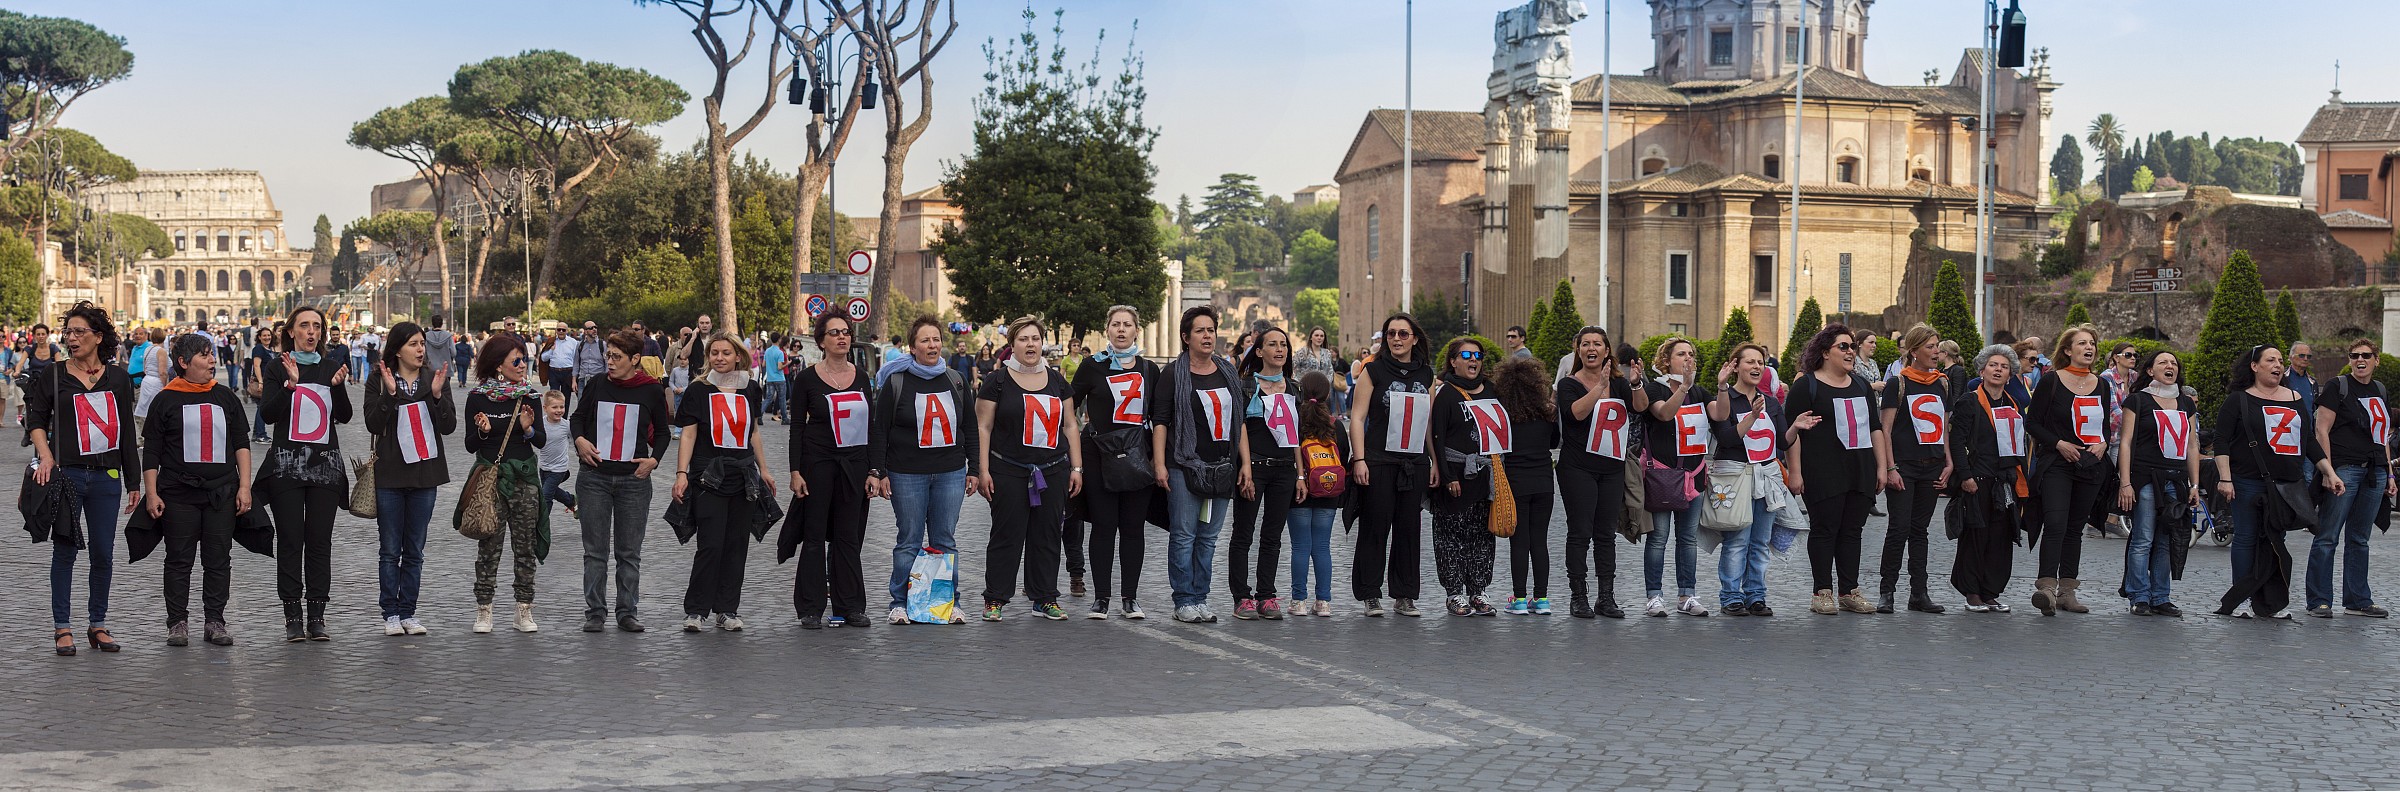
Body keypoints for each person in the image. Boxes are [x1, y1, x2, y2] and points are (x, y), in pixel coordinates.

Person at [30, 303, 141, 655]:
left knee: (103, 554)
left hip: (107, 478)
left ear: (98, 337)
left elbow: (126, 433)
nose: (72, 338)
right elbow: (35, 420)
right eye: (69, 332)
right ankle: (62, 628)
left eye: (79, 332)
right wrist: (46, 455)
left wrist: (134, 481)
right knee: (65, 551)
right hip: (68, 475)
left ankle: (98, 624)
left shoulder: (118, 378)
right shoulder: (54, 374)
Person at [141, 333, 254, 647]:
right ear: (183, 362)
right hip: (178, 493)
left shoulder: (225, 397)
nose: (212, 360)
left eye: (211, 354)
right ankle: (177, 622)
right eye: (204, 355)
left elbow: (241, 444)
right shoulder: (165, 399)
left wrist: (245, 486)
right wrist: (151, 492)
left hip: (221, 492)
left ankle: (215, 620)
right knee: (179, 560)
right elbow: (152, 450)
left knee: (218, 559)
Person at [2213, 344, 2337, 620]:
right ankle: (2241, 599)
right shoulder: (2238, 400)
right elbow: (2222, 441)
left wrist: (2329, 471)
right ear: (2254, 366)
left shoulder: (2294, 398)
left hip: (2286, 485)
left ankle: (2270, 603)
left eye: (2280, 360)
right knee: (2246, 538)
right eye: (2270, 360)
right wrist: (2225, 477)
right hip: (2247, 480)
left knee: (2275, 540)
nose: (2278, 365)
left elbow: (2308, 440)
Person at [872, 316, 982, 625]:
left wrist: (974, 468)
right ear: (913, 347)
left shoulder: (956, 380)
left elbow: (970, 428)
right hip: (906, 473)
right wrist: (879, 471)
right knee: (909, 539)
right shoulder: (896, 381)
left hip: (950, 472)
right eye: (925, 340)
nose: (932, 345)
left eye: (936, 339)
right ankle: (900, 602)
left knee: (944, 540)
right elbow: (880, 430)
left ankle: (946, 602)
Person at [973, 317, 1082, 622]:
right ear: (1012, 345)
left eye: (1035, 338)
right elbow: (983, 427)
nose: (1030, 344)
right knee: (1006, 535)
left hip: (1053, 470)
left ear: (1042, 343)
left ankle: (1044, 597)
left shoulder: (1058, 381)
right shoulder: (997, 381)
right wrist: (983, 470)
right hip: (1008, 469)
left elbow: (1070, 425)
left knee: (1047, 535)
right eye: (1023, 339)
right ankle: (995, 598)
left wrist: (1077, 467)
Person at [256, 307, 353, 643]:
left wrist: (338, 387)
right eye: (304, 326)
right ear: (291, 332)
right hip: (287, 465)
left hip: (325, 466)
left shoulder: (330, 367)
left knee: (319, 541)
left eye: (317, 326)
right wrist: (290, 386)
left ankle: (317, 615)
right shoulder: (277, 366)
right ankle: (292, 616)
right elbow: (268, 414)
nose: (312, 331)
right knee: (290, 539)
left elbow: (345, 415)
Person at [673, 331, 773, 633]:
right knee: (710, 545)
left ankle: (727, 609)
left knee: (736, 545)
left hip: (743, 476)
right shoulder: (698, 390)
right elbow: (688, 434)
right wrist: (681, 473)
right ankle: (696, 610)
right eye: (714, 353)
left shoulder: (750, 389)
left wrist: (764, 470)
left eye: (726, 353)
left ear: (738, 356)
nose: (719, 358)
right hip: (708, 475)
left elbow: (753, 432)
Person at [572, 330, 671, 633]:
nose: (610, 362)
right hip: (594, 478)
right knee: (595, 552)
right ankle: (595, 612)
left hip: (634, 481)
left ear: (635, 359)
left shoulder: (651, 390)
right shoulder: (596, 384)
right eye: (608, 355)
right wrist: (579, 440)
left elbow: (664, 432)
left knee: (629, 553)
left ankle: (627, 611)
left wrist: (654, 460)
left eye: (617, 357)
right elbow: (577, 418)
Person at [1787, 324, 1889, 615]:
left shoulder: (1861, 385)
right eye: (1843, 346)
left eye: (1852, 347)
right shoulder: (1806, 386)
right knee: (1824, 529)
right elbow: (1792, 432)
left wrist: (1882, 467)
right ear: (1824, 352)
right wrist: (1795, 472)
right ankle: (1821, 592)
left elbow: (1875, 428)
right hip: (1822, 470)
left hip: (1860, 469)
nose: (1850, 352)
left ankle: (1849, 590)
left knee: (1852, 531)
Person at [1153, 306, 1247, 623]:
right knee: (1184, 535)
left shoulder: (1228, 371)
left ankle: (1200, 597)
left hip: (1221, 467)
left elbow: (1239, 420)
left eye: (1211, 330)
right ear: (1186, 337)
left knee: (1208, 537)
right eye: (1200, 331)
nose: (1207, 336)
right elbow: (1160, 421)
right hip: (1183, 466)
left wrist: (1245, 464)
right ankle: (1184, 600)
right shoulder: (1173, 374)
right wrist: (1159, 464)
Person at [784, 313, 875, 629]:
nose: (842, 337)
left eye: (846, 332)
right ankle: (810, 608)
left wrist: (874, 470)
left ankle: (850, 605)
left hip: (854, 466)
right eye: (834, 332)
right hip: (818, 465)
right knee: (814, 536)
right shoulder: (807, 379)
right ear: (821, 340)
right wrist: (795, 471)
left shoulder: (861, 377)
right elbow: (797, 427)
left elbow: (871, 425)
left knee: (848, 537)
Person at [365, 322, 455, 637]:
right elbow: (372, 423)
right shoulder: (379, 379)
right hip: (390, 475)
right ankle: (390, 613)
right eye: (413, 344)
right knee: (390, 550)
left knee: (415, 550)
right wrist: (390, 394)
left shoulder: (434, 378)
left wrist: (438, 396)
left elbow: (448, 426)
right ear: (398, 349)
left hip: (424, 475)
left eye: (422, 344)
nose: (420, 349)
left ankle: (408, 612)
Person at [1071, 305, 1159, 619]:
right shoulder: (1092, 366)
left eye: (1127, 325)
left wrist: (1158, 460)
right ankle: (1101, 598)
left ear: (1136, 330)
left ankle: (1130, 598)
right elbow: (1069, 407)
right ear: (1107, 329)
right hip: (1098, 455)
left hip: (1137, 456)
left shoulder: (1149, 369)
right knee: (1104, 526)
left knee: (1133, 528)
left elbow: (1159, 417)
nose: (1121, 330)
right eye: (1115, 324)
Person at [460, 334, 548, 634]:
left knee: (525, 548)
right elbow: (470, 445)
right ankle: (484, 610)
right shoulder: (477, 397)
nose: (523, 365)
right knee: (489, 547)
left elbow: (541, 441)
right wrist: (483, 432)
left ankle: (524, 610)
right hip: (491, 482)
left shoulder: (529, 396)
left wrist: (527, 430)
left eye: (524, 359)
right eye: (517, 360)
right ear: (499, 365)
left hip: (524, 480)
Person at [1347, 313, 1433, 618]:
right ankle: (1370, 593)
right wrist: (1359, 459)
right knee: (1375, 527)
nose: (1396, 339)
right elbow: (1357, 418)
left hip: (1414, 463)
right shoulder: (1373, 371)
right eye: (1391, 333)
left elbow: (1429, 423)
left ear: (1414, 339)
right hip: (1379, 461)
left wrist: (1434, 462)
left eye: (1403, 334)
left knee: (1409, 530)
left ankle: (1405, 595)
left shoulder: (1427, 374)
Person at [2023, 325, 2112, 616]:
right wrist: (2058, 443)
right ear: (2067, 350)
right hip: (2057, 463)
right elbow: (2032, 423)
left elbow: (2105, 427)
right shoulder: (2052, 381)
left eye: (2092, 343)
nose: (2089, 348)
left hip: (2090, 466)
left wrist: (2104, 442)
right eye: (2082, 343)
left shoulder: (2102, 385)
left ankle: (2067, 591)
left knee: (2075, 529)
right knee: (2056, 523)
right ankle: (2046, 588)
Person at [1706, 342, 1795, 617]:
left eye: (1761, 362)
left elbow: (1782, 442)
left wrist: (1797, 426)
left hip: (1766, 478)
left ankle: (1756, 595)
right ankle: (1731, 596)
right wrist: (1752, 417)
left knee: (1760, 541)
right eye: (1750, 362)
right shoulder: (1726, 399)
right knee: (1737, 540)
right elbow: (1727, 438)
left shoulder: (1771, 402)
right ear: (1735, 366)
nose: (1757, 367)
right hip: (1736, 478)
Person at [2305, 339, 2390, 618]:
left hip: (2374, 472)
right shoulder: (2337, 386)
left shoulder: (2380, 390)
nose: (2360, 360)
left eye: (2366, 355)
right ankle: (2319, 600)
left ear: (2376, 359)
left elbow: (2382, 436)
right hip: (2345, 469)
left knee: (2360, 539)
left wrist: (2389, 473)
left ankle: (2357, 599)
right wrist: (2327, 471)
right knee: (2327, 536)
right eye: (2354, 355)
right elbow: (2321, 430)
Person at [2114, 349, 2200, 617]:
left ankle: (2161, 596)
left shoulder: (2186, 403)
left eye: (2173, 362)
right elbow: (2125, 442)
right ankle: (2139, 595)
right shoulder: (2138, 400)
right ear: (2150, 370)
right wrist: (2125, 482)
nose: (2169, 365)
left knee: (2166, 539)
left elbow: (2192, 445)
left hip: (2176, 480)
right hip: (2146, 478)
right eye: (2163, 362)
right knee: (2143, 538)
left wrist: (2195, 485)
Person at [1875, 324, 1952, 614]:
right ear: (1915, 351)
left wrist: (1949, 462)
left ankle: (1919, 593)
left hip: (1932, 466)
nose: (1936, 352)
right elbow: (1885, 429)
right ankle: (1887, 591)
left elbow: (1944, 427)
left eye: (1937, 347)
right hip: (1904, 467)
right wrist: (1890, 467)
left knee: (1920, 531)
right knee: (1898, 529)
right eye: (1930, 347)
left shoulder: (1942, 383)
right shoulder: (1898, 383)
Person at [1556, 326, 1631, 619]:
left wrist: (1637, 384)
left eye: (1597, 344)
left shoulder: (1619, 383)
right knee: (1580, 532)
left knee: (1605, 534)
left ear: (1606, 350)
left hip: (1611, 468)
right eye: (1585, 344)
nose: (1591, 348)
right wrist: (1599, 387)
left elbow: (1640, 407)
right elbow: (1575, 413)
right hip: (1578, 467)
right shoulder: (1568, 383)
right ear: (1578, 351)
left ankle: (1606, 597)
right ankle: (1578, 596)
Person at [1950, 345, 2029, 612]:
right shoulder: (1969, 401)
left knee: (2000, 538)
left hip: (2005, 480)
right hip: (1978, 479)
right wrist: (1965, 475)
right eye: (1993, 365)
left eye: (2004, 367)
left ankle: (1990, 591)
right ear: (1982, 371)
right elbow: (1957, 441)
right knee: (1976, 535)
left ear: (2010, 375)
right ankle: (1972, 592)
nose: (1998, 370)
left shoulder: (2012, 404)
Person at [1638, 336, 1711, 617]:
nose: (1688, 358)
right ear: (1667, 360)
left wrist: (1721, 387)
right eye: (1681, 354)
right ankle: (1654, 596)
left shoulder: (1699, 391)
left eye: (1691, 353)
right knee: (1658, 538)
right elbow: (1664, 414)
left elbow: (1720, 415)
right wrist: (1682, 389)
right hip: (1663, 476)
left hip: (1693, 475)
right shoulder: (1655, 388)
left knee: (1688, 539)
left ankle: (1687, 595)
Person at [1427, 335, 1499, 617]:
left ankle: (1478, 590)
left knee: (1482, 536)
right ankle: (1454, 592)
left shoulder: (1491, 390)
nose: (1473, 361)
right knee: (1450, 537)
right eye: (1466, 356)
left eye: (1478, 356)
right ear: (1453, 361)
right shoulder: (1447, 394)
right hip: (1456, 473)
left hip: (1484, 475)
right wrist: (1447, 476)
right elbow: (1437, 436)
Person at [1229, 326, 1296, 620]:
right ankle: (1241, 596)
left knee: (1273, 536)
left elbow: (1296, 435)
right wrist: (1245, 465)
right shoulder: (1245, 385)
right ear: (1259, 351)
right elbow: (1240, 426)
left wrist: (1301, 474)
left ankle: (1266, 595)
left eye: (1283, 345)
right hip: (1254, 467)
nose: (1279, 349)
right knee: (1243, 533)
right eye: (1272, 344)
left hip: (1285, 470)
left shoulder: (1294, 388)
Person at [1492, 357, 1558, 615]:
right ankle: (1541, 598)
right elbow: (1554, 442)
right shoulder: (1546, 414)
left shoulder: (1505, 417)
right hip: (1544, 483)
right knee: (1539, 541)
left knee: (1519, 543)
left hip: (1516, 483)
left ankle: (1519, 598)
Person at [1287, 371, 1343, 617]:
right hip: (1329, 491)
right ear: (1327, 394)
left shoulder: (1296, 422)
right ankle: (1323, 602)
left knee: (1300, 547)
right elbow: (1344, 456)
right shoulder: (1335, 425)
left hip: (1299, 492)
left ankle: (1298, 601)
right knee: (1322, 547)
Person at [537, 390, 577, 522]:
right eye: (554, 407)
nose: (559, 410)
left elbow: (575, 441)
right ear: (545, 408)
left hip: (559, 468)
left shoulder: (566, 426)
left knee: (546, 496)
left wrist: (580, 452)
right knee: (552, 491)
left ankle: (542, 524)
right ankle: (571, 500)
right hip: (544, 466)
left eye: (562, 407)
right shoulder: (540, 424)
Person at [1293, 326, 1347, 416]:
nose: (1319, 338)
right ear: (1311, 337)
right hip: (1306, 389)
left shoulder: (1327, 353)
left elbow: (1330, 371)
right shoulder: (1303, 352)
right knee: (1306, 413)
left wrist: (1327, 386)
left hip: (1322, 390)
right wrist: (1299, 384)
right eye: (1316, 335)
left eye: (1322, 336)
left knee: (1322, 414)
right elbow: (1293, 367)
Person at [247, 323, 280, 443]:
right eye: (264, 335)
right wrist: (261, 382)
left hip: (267, 382)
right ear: (259, 337)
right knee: (262, 407)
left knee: (260, 407)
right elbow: (256, 365)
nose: (267, 337)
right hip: (262, 382)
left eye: (269, 335)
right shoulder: (259, 348)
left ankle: (257, 434)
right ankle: (260, 434)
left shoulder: (269, 349)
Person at [135, 328, 169, 420]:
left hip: (147, 381)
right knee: (156, 412)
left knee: (146, 413)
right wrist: (165, 387)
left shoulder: (147, 349)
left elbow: (145, 368)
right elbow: (162, 372)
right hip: (157, 383)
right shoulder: (161, 351)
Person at [423, 314, 457, 396]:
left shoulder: (426, 336)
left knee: (432, 392)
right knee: (445, 391)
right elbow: (453, 353)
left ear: (432, 323)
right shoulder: (448, 336)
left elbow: (424, 353)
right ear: (442, 324)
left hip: (431, 368)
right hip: (445, 368)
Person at [573, 322, 607, 398]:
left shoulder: (602, 344)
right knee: (582, 403)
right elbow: (576, 363)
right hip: (583, 380)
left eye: (595, 327)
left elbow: (607, 364)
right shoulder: (580, 345)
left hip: (598, 380)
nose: (594, 329)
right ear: (585, 331)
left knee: (596, 403)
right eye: (591, 328)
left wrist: (606, 380)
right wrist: (574, 381)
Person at [762, 333, 789, 424]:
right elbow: (779, 367)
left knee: (768, 398)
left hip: (770, 378)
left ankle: (759, 415)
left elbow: (763, 364)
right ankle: (784, 418)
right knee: (782, 398)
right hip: (779, 378)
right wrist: (787, 363)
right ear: (779, 340)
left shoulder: (767, 351)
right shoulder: (779, 352)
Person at [2287, 342, 2318, 417]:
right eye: (2301, 355)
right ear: (2291, 357)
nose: (2305, 359)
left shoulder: (2312, 382)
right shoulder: (2282, 379)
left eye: (2309, 356)